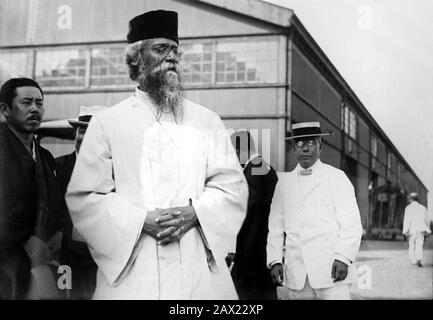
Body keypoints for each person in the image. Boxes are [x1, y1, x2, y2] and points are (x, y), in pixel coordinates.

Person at [65, 10, 248, 299]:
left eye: (176, 50)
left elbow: (231, 187)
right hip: (135, 271)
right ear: (136, 58)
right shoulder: (108, 122)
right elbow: (85, 197)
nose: (172, 56)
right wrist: (140, 220)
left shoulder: (206, 120)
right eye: (161, 48)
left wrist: (195, 213)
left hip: (196, 268)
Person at [267, 122, 363, 300]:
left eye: (310, 143)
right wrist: (275, 260)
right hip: (296, 274)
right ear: (294, 148)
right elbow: (275, 226)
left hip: (331, 271)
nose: (305, 149)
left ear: (320, 146)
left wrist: (343, 257)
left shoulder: (336, 177)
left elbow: (351, 223)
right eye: (300, 144)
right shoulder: (284, 183)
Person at [0, 78, 67, 299]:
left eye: (39, 103)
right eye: (26, 102)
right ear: (5, 109)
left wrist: (54, 234)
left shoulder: (45, 157)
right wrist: (27, 239)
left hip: (42, 257)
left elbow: (55, 202)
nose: (34, 109)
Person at [55, 106, 104, 299]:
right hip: (64, 256)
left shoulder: (114, 172)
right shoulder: (57, 166)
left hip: (100, 259)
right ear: (75, 133)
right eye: (83, 130)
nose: (88, 138)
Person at [228, 130, 278, 300]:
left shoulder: (251, 171)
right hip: (265, 250)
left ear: (238, 150)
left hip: (249, 252)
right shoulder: (268, 169)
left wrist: (233, 245)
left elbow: (247, 211)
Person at [402, 192, 431, 267]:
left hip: (412, 230)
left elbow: (407, 220)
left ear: (410, 199)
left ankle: (413, 260)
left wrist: (405, 230)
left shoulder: (408, 208)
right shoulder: (423, 208)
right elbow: (427, 220)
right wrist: (427, 229)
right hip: (421, 229)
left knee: (412, 245)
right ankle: (419, 259)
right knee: (419, 245)